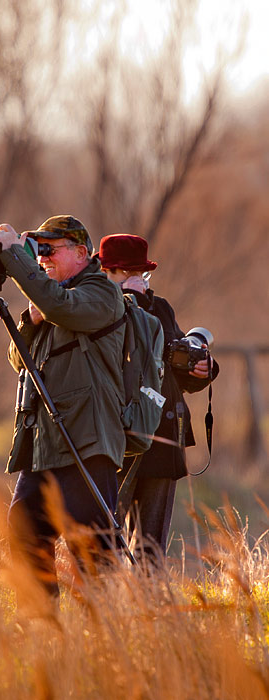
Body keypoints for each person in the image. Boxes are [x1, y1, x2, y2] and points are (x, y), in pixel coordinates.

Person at [0, 215, 126, 594]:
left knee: (91, 545)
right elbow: (19, 360)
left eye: (51, 249)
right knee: (24, 524)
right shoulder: (52, 299)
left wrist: (18, 259)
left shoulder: (100, 293)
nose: (44, 258)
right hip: (46, 443)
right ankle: (39, 628)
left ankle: (103, 634)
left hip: (87, 438)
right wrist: (31, 320)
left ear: (82, 253)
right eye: (39, 249)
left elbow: (63, 307)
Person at [98, 233, 219, 563]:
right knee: (104, 539)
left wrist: (202, 368)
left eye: (141, 273)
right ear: (106, 273)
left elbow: (175, 363)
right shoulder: (97, 307)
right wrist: (130, 302)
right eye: (126, 273)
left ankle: (149, 608)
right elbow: (118, 352)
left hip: (164, 438)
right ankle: (101, 608)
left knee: (151, 548)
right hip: (118, 436)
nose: (137, 280)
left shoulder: (161, 307)